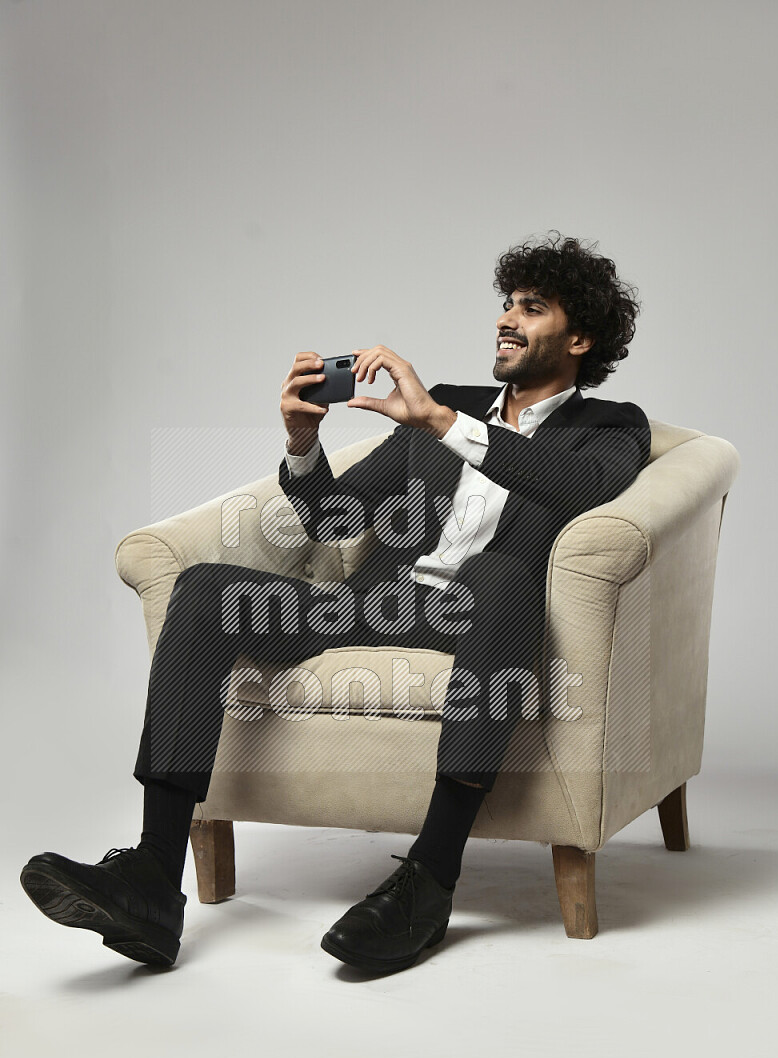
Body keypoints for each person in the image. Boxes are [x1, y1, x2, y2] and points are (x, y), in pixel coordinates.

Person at [20, 231, 650, 976]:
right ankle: (154, 879)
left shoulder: (608, 427)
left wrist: (444, 426)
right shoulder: (446, 405)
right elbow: (334, 517)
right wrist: (301, 443)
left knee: (502, 577)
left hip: (487, 621)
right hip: (383, 604)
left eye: (532, 308)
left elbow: (580, 490)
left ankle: (430, 877)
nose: (506, 319)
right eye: (506, 304)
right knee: (203, 592)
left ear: (579, 338)